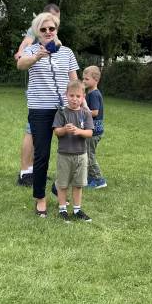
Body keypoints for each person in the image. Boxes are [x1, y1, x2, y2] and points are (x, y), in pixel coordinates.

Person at [16, 11, 79, 216]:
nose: (48, 32)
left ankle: (58, 187)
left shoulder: (67, 52)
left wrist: (83, 104)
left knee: (71, 154)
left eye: (51, 28)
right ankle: (40, 198)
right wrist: (36, 57)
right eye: (43, 29)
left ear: (56, 29)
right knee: (42, 155)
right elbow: (20, 64)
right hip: (40, 109)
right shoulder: (32, 50)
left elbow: (74, 81)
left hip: (65, 110)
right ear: (38, 32)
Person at [14, 4, 61, 186]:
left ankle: (36, 170)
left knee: (40, 136)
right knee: (31, 132)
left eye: (57, 18)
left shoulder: (53, 33)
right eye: (52, 16)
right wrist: (22, 54)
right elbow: (26, 43)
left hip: (52, 96)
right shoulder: (36, 29)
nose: (53, 23)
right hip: (38, 95)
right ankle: (25, 172)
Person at [53, 80, 94, 222]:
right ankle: (62, 209)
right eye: (71, 95)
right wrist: (65, 129)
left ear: (83, 97)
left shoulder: (86, 113)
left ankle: (77, 209)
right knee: (62, 184)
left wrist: (79, 131)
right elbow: (57, 131)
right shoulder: (61, 112)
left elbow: (90, 133)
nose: (74, 99)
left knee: (78, 184)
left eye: (78, 96)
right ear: (66, 95)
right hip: (64, 155)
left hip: (81, 155)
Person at [83, 65, 107, 188]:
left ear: (96, 80)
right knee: (87, 153)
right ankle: (90, 178)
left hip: (94, 132)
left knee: (89, 155)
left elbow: (95, 112)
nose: (84, 81)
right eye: (83, 79)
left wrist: (82, 111)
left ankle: (99, 179)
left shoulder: (94, 94)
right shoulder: (90, 93)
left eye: (87, 79)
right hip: (92, 130)